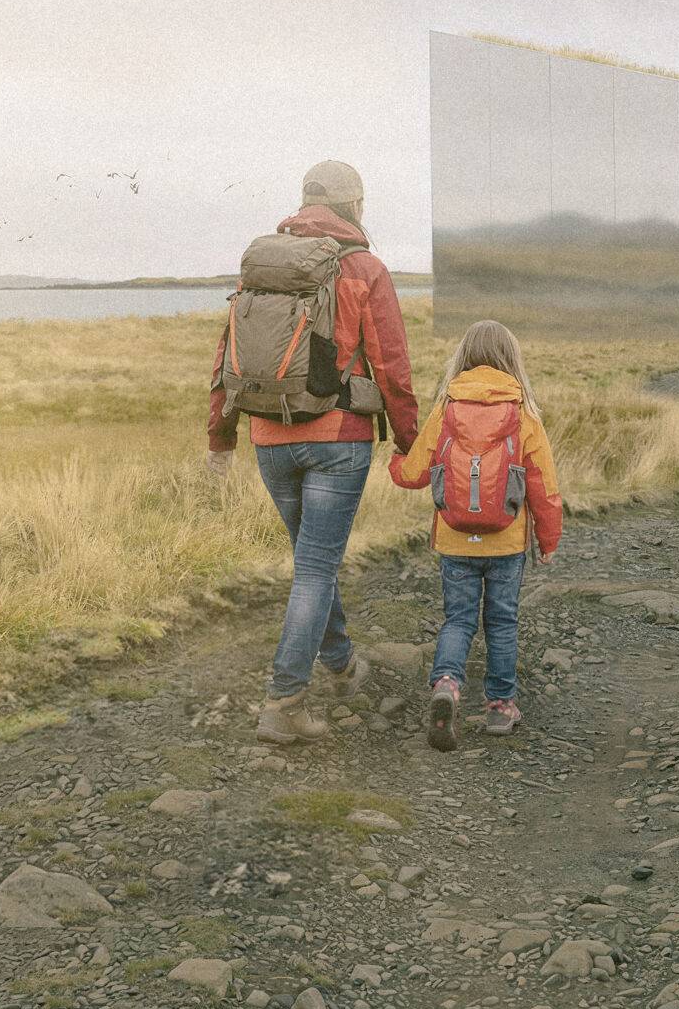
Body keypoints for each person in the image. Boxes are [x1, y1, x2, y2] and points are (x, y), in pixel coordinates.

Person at [206, 161, 420, 744]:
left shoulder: (262, 268)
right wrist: (409, 441)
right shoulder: (364, 269)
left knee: (311, 565)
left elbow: (227, 358)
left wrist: (219, 441)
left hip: (269, 437)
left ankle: (343, 665)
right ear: (355, 206)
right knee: (316, 569)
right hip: (338, 440)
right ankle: (284, 702)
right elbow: (392, 366)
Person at [386, 319, 563, 750]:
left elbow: (413, 474)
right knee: (502, 622)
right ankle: (500, 707)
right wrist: (548, 539)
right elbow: (544, 485)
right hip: (507, 543)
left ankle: (446, 683)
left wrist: (395, 460)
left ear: (463, 356)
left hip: (454, 539)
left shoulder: (446, 409)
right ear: (511, 359)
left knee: (459, 620)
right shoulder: (523, 413)